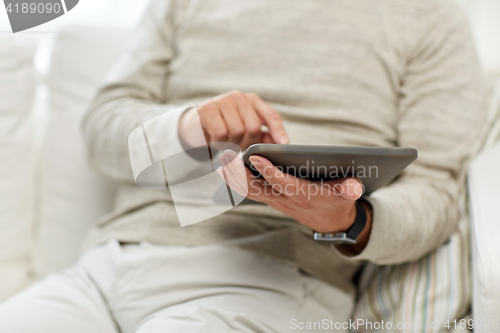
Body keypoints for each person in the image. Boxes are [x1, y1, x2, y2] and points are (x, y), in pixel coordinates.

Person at [0, 0, 486, 332]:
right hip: (105, 265)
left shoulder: (429, 17)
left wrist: (350, 220)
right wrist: (188, 127)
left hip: (267, 275)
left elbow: (435, 191)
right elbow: (101, 132)